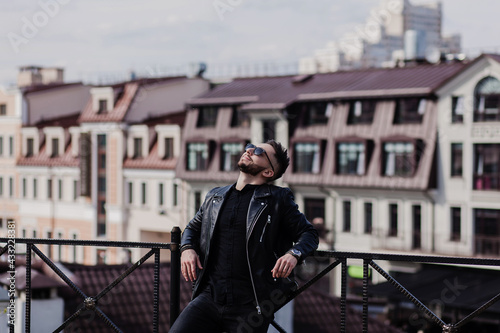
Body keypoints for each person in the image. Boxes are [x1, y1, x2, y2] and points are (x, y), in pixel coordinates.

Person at [170, 140, 319, 333]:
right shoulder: (215, 196)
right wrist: (187, 248)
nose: (249, 150)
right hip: (208, 297)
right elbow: (192, 227)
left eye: (258, 152)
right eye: (250, 146)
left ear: (268, 172)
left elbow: (309, 234)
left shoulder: (278, 199)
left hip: (251, 306)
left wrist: (294, 254)